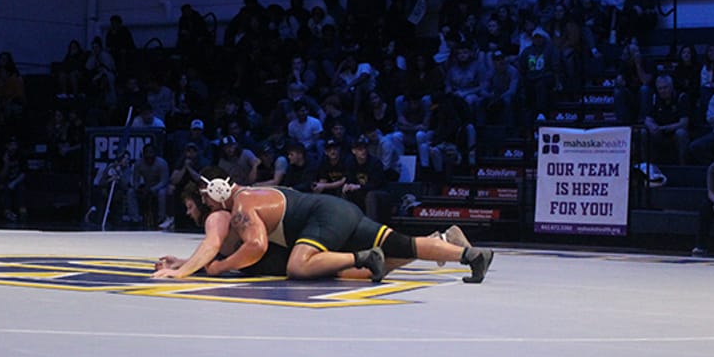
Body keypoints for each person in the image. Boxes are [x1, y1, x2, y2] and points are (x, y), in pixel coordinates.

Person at [171, 171, 493, 283]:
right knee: (406, 244)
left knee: (299, 266)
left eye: (209, 203)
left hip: (324, 217)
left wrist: (220, 267)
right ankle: (471, 255)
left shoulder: (242, 205)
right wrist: (187, 263)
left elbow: (256, 247)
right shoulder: (255, 194)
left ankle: (363, 257)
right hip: (339, 211)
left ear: (217, 194)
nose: (210, 209)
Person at [643, 75, 690, 164]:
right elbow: (647, 119)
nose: (663, 91)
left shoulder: (681, 97)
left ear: (671, 87)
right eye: (660, 88)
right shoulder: (654, 98)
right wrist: (652, 126)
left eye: (665, 88)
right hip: (659, 133)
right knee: (644, 132)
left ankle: (683, 167)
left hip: (674, 133)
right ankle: (648, 166)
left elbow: (684, 123)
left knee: (681, 133)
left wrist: (663, 128)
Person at [133, 144, 171, 230]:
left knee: (162, 193)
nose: (149, 155)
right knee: (131, 192)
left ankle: (161, 218)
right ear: (143, 154)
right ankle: (135, 219)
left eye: (151, 153)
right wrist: (138, 188)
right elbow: (135, 180)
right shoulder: (138, 163)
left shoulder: (162, 163)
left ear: (155, 154)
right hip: (146, 186)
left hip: (159, 186)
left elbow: (164, 181)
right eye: (147, 153)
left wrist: (152, 189)